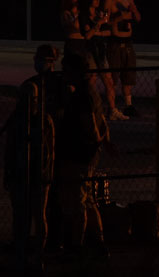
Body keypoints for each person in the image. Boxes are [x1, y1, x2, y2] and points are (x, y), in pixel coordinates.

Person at [3, 45, 59, 260]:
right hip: (32, 173)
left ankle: (27, 251)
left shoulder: (32, 120)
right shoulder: (42, 120)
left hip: (30, 172)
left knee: (30, 214)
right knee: (34, 214)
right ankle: (32, 252)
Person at [54, 51, 110, 256]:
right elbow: (101, 121)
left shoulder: (82, 96)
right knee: (87, 199)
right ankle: (98, 241)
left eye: (66, 70)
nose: (63, 74)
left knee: (77, 202)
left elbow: (92, 126)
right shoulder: (89, 92)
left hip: (78, 154)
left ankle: (76, 246)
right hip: (85, 154)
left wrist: (94, 142)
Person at [103, 0, 141, 117]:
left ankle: (128, 104)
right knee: (114, 76)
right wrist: (120, 17)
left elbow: (137, 17)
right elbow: (105, 21)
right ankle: (111, 106)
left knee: (128, 74)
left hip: (128, 40)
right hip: (115, 41)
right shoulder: (109, 0)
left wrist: (132, 10)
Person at [82, 0, 122, 120]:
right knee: (91, 80)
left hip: (101, 51)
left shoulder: (99, 14)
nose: (97, 2)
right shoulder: (85, 16)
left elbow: (108, 32)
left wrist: (98, 30)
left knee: (109, 81)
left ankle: (112, 109)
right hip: (91, 51)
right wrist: (98, 25)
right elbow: (87, 36)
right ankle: (88, 107)